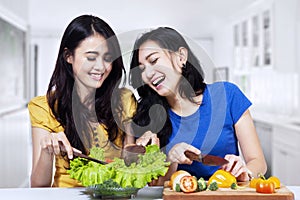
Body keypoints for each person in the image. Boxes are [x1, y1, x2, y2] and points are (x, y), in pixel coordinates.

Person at [129, 27, 267, 185]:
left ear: (181, 56)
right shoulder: (148, 117)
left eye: (153, 61)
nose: (148, 73)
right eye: (142, 69)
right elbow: (154, 186)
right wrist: (171, 159)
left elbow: (258, 162)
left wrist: (245, 173)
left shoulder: (228, 95)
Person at [28, 15, 136, 187]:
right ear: (68, 56)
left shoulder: (124, 100)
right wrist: (47, 150)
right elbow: (38, 187)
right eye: (91, 57)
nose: (101, 67)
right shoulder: (43, 107)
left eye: (107, 58)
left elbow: (131, 168)